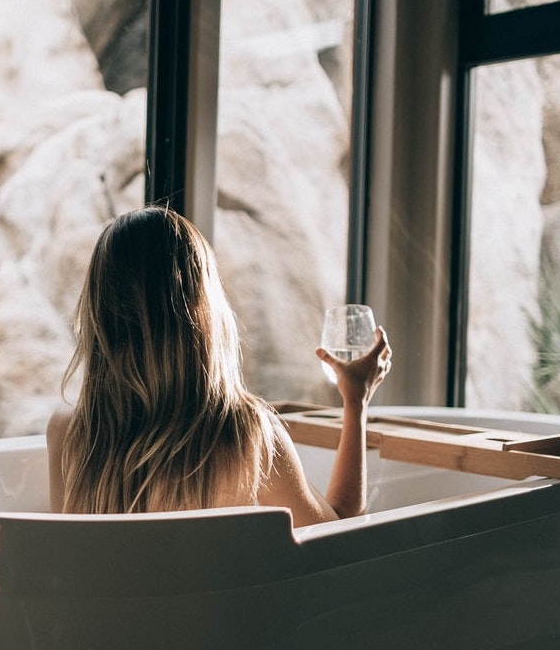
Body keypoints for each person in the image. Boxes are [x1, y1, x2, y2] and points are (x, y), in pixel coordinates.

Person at [46, 205, 391, 525]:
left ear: (99, 315)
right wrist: (355, 401)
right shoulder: (247, 436)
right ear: (204, 312)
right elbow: (335, 537)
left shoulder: (68, 434)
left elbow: (68, 560)